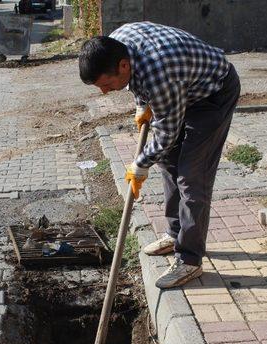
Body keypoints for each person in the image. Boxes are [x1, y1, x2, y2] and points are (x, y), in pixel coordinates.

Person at [78, 22, 241, 289]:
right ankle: (176, 233)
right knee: (168, 163)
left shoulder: (159, 73)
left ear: (123, 66)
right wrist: (142, 104)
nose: (104, 92)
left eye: (106, 85)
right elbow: (142, 86)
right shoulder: (116, 43)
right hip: (181, 87)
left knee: (191, 176)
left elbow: (166, 134)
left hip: (212, 94)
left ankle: (189, 259)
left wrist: (139, 164)